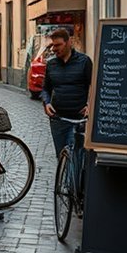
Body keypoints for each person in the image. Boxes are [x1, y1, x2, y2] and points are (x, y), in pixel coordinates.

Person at [40, 28, 93, 157]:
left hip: (79, 120)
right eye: (53, 45)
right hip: (58, 120)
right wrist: (46, 103)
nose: (54, 49)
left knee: (75, 157)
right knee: (61, 157)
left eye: (58, 45)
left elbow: (94, 86)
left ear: (69, 42)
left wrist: (90, 105)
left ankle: (74, 177)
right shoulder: (51, 64)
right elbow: (45, 89)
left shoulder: (84, 61)